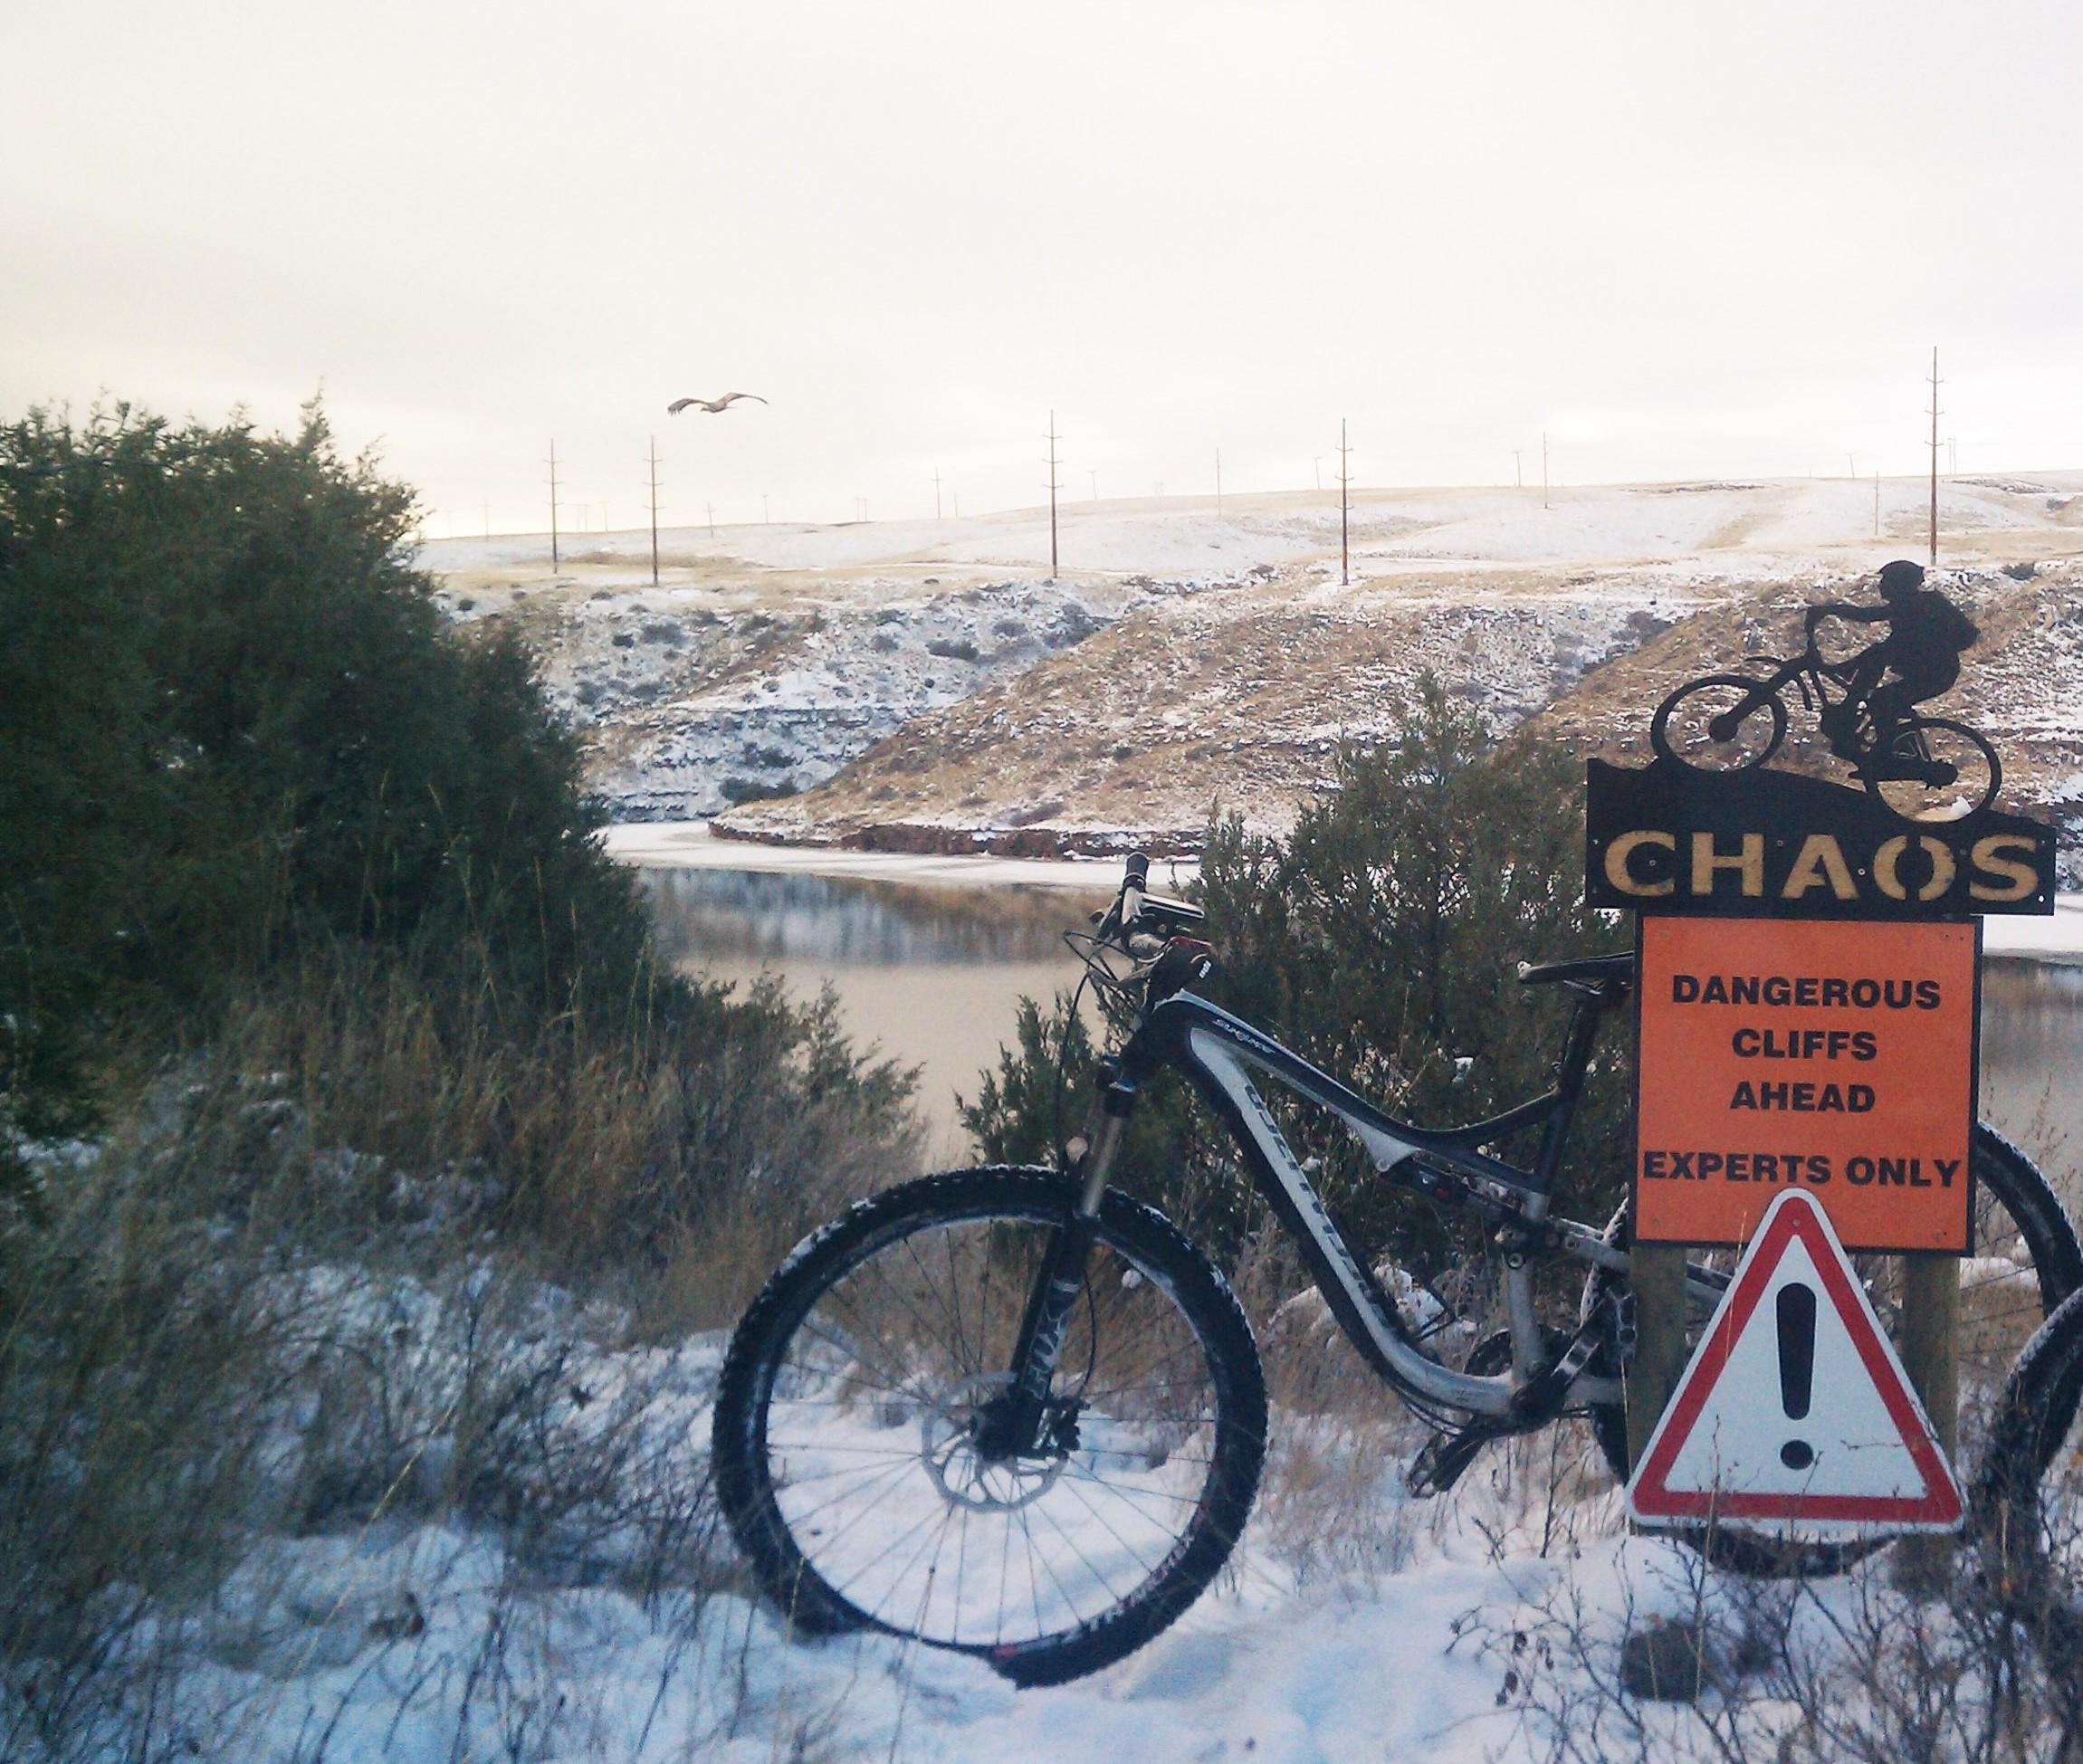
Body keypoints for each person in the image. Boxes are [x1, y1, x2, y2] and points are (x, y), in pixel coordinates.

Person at [1804, 560, 1979, 763]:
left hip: (1937, 674)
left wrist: (1828, 610)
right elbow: (1889, 646)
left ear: (1900, 585)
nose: (1881, 585)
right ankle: (1851, 714)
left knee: (1882, 700)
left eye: (1886, 581)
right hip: (1934, 669)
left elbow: (1868, 616)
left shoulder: (1915, 605)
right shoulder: (1914, 604)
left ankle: (1888, 754)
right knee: (1877, 660)